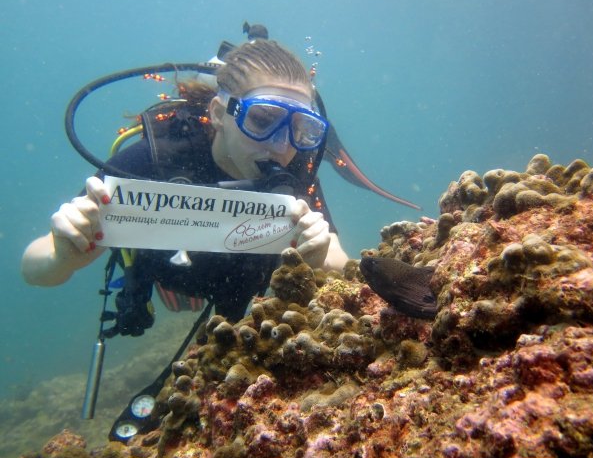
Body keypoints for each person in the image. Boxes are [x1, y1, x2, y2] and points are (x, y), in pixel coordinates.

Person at [21, 39, 349, 326]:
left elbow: (339, 259)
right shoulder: (158, 157)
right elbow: (33, 268)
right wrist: (62, 256)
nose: (281, 145)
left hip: (244, 290)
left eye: (301, 128)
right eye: (262, 119)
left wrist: (320, 257)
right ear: (219, 113)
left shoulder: (296, 167)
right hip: (169, 272)